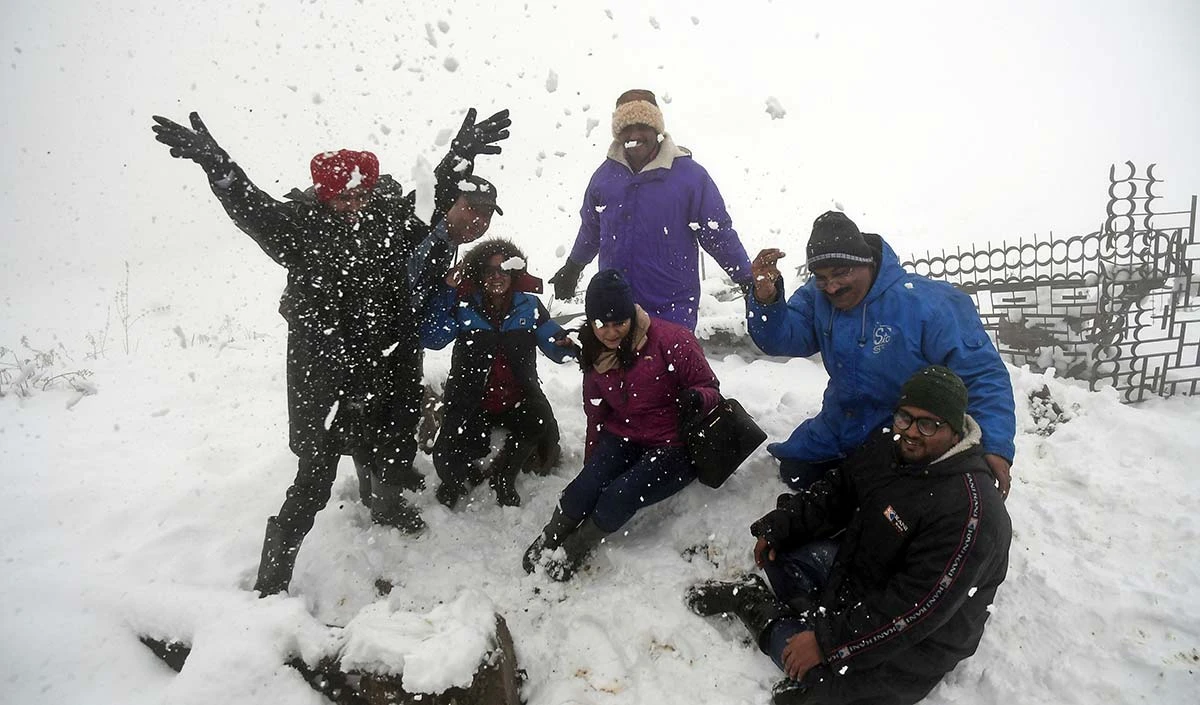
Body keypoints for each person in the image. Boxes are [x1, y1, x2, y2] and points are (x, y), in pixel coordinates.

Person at [150, 108, 510, 595]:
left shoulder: (392, 219)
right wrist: (219, 166)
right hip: (325, 371)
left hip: (389, 362)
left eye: (361, 193)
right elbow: (252, 208)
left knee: (391, 446)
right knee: (313, 479)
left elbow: (434, 199)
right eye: (343, 196)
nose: (354, 203)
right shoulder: (299, 230)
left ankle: (383, 503)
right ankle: (271, 581)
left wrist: (460, 153)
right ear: (324, 194)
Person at [686, 366, 1012, 705]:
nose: (912, 432)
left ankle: (760, 610)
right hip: (863, 574)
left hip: (917, 641)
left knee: (823, 684)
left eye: (928, 424)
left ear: (956, 431)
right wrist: (783, 525)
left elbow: (915, 609)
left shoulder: (971, 511)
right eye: (905, 418)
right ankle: (789, 618)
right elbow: (839, 489)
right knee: (780, 556)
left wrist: (827, 643)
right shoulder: (891, 443)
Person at [747, 211, 1016, 497]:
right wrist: (766, 299)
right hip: (839, 425)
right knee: (796, 473)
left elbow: (983, 375)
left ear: (868, 263)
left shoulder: (929, 304)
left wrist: (995, 446)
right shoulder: (817, 297)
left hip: (904, 434)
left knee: (891, 509)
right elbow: (781, 339)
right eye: (822, 278)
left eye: (841, 273)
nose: (832, 287)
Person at [522, 269, 720, 581]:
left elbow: (711, 388)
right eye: (602, 323)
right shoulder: (594, 352)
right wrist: (592, 466)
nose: (611, 332)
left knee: (618, 496)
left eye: (620, 323)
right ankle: (553, 535)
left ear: (631, 315)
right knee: (581, 490)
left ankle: (578, 545)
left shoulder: (672, 341)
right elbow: (596, 413)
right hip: (625, 436)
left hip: (674, 444)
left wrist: (696, 398)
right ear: (591, 321)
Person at [548, 89, 753, 332]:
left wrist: (745, 277)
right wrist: (574, 266)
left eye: (642, 125)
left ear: (657, 129)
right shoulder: (604, 178)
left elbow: (716, 232)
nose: (634, 134)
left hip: (672, 310)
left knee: (668, 370)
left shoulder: (690, 177)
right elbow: (591, 230)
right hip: (616, 311)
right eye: (626, 127)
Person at [421, 237, 578, 509]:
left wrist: (570, 344)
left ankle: (505, 476)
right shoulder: (464, 305)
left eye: (504, 270)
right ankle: (455, 482)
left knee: (544, 431)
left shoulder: (528, 306)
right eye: (490, 271)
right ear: (480, 274)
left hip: (519, 396)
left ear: (514, 273)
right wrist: (447, 289)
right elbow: (434, 338)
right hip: (470, 399)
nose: (497, 277)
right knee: (447, 453)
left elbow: (555, 345)